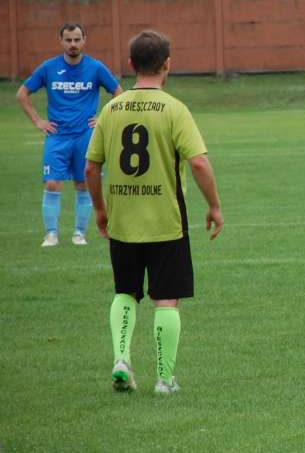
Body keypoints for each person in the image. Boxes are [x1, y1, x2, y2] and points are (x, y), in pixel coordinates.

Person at [85, 29, 224, 394]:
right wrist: (214, 206)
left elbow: (90, 168)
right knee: (167, 297)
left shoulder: (111, 108)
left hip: (123, 220)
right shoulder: (174, 109)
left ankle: (121, 359)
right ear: (167, 64)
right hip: (166, 221)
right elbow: (198, 163)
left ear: (130, 64)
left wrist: (100, 210)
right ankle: (164, 378)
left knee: (125, 291)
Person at [17, 23, 122, 247]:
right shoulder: (48, 68)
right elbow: (22, 94)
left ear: (84, 40)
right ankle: (51, 234)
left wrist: (104, 117)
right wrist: (37, 120)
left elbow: (119, 93)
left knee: (83, 184)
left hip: (86, 135)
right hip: (57, 136)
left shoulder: (95, 68)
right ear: (61, 41)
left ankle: (79, 234)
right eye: (68, 40)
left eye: (77, 39)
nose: (73, 44)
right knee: (53, 184)